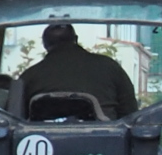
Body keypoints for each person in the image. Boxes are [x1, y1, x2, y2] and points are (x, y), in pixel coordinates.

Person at [10, 21, 139, 121]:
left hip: (41, 142)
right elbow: (130, 114)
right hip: (108, 141)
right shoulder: (110, 66)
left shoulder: (28, 76)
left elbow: (15, 119)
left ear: (45, 44)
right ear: (76, 39)